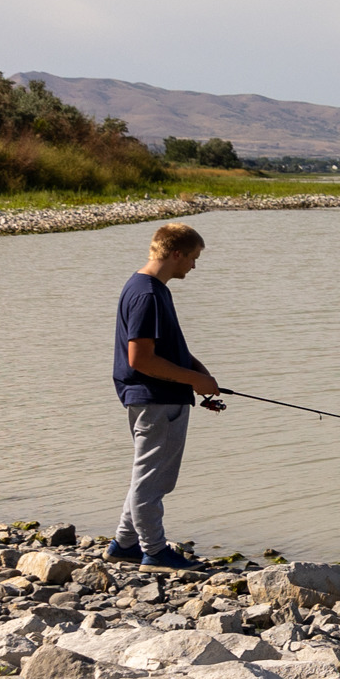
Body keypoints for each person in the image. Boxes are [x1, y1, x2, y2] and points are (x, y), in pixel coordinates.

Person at [110, 222, 224, 568]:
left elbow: (166, 347)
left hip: (157, 398)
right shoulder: (147, 294)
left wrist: (199, 374)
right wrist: (192, 379)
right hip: (156, 400)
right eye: (193, 257)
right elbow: (140, 359)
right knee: (152, 479)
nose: (193, 265)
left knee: (148, 475)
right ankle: (155, 551)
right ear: (176, 253)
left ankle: (125, 544)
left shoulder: (151, 289)